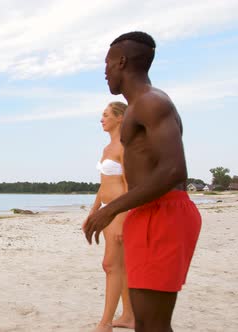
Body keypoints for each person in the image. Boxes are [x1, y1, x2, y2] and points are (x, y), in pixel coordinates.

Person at [83, 31, 201, 332]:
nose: (105, 70)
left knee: (154, 323)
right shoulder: (137, 107)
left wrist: (111, 209)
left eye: (108, 63)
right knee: (143, 321)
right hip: (144, 211)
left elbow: (175, 169)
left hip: (164, 213)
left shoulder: (152, 102)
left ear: (121, 62)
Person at [87, 101, 134, 331]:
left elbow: (129, 186)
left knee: (110, 265)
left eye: (106, 115)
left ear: (120, 118)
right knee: (119, 266)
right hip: (106, 212)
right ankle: (128, 315)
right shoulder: (107, 148)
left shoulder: (126, 146)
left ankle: (105, 323)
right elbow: (103, 184)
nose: (101, 118)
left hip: (119, 212)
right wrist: (94, 212)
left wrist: (123, 221)